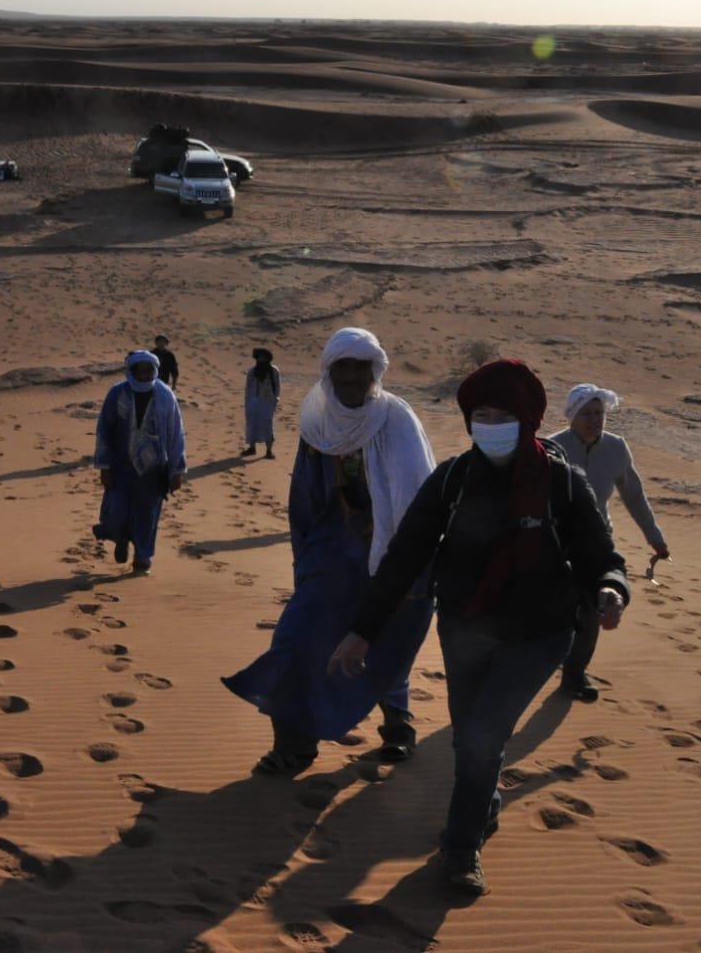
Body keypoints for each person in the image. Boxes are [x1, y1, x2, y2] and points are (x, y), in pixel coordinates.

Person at [328, 359, 629, 896]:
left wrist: (611, 588)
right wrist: (363, 630)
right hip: (464, 629)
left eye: (503, 415)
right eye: (481, 415)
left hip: (539, 635)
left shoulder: (561, 481)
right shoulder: (453, 480)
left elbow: (600, 555)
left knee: (482, 736)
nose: (490, 425)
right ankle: (483, 802)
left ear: (528, 419)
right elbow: (404, 557)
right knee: (471, 736)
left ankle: (460, 849)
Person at [223, 328, 437, 776]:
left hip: (393, 555)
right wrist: (305, 559)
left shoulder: (397, 419)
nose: (353, 376)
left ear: (375, 370)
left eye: (362, 367)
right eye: (344, 367)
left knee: (387, 640)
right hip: (331, 554)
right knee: (295, 640)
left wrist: (413, 568)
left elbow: (418, 497)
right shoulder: (317, 422)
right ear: (329, 371)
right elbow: (305, 497)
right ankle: (294, 746)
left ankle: (397, 724)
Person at [548, 383, 669, 702]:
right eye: (586, 413)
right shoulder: (552, 448)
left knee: (592, 610)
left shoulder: (616, 448)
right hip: (554, 542)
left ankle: (574, 675)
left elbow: (634, 495)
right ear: (571, 416)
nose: (594, 420)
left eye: (599, 413)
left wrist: (654, 537)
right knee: (551, 608)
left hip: (596, 544)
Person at [92, 350, 186, 574]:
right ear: (131, 372)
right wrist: (104, 466)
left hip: (153, 471)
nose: (144, 376)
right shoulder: (117, 393)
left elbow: (176, 433)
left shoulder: (165, 396)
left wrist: (177, 469)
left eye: (148, 371)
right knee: (117, 512)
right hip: (120, 466)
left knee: (147, 515)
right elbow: (104, 430)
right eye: (139, 371)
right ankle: (121, 538)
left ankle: (142, 558)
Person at [242, 348, 282, 458]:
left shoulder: (274, 371)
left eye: (263, 357)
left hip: (268, 402)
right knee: (252, 425)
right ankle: (252, 448)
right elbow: (248, 387)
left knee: (268, 426)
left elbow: (277, 386)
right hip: (253, 401)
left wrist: (275, 400)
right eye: (259, 357)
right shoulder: (252, 371)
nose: (261, 359)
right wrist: (247, 402)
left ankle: (269, 451)